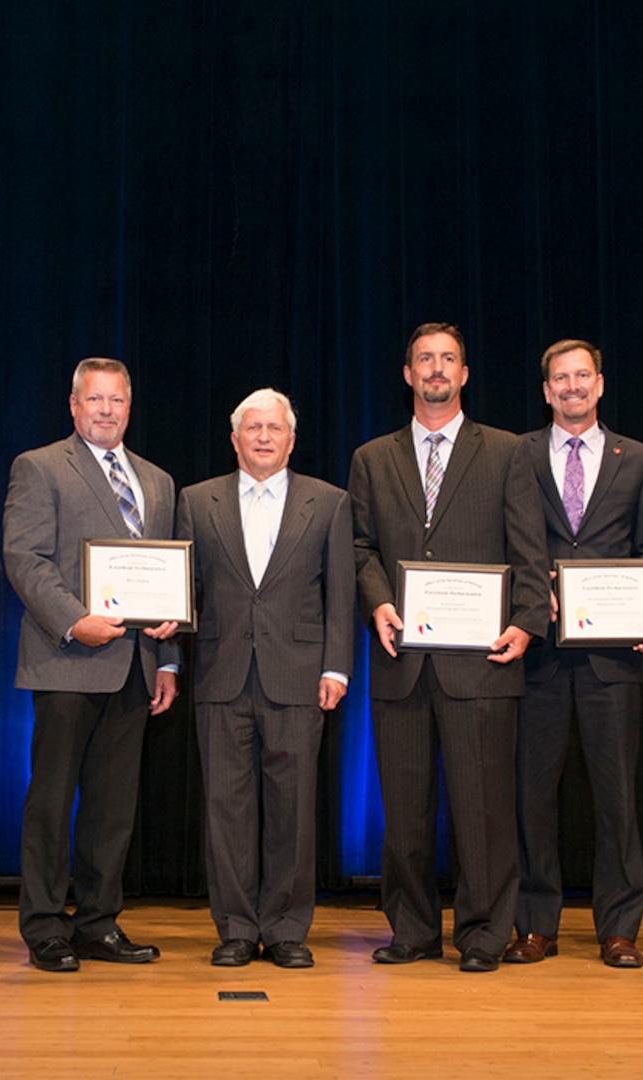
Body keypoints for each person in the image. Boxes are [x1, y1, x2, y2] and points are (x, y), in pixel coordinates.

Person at [349, 322, 551, 973]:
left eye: (448, 359)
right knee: (404, 813)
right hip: (401, 661)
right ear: (408, 374)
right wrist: (378, 600)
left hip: (484, 660)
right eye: (424, 360)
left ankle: (486, 932)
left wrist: (526, 621)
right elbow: (359, 548)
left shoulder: (507, 452)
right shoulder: (371, 458)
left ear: (464, 374)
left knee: (484, 810)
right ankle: (411, 929)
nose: (436, 369)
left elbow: (528, 547)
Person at [3, 358, 180, 972]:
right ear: (73, 405)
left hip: (135, 666)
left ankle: (98, 923)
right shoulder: (41, 466)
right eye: (94, 400)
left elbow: (170, 580)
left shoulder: (158, 481)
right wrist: (75, 618)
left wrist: (169, 654)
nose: (106, 410)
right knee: (51, 802)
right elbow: (24, 558)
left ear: (130, 408)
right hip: (66, 658)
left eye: (117, 401)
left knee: (113, 807)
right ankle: (46, 927)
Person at [174, 388, 355, 969]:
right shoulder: (196, 501)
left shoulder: (328, 502)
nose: (263, 437)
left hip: (299, 676)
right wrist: (171, 657)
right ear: (235, 438)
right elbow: (184, 589)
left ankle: (284, 928)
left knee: (294, 808)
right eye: (253, 427)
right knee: (225, 808)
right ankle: (233, 926)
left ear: (291, 439)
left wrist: (336, 665)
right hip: (221, 675)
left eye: (274, 428)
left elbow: (341, 593)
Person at [507, 340, 643, 970]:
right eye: (559, 379)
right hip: (536, 653)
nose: (571, 387)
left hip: (612, 657)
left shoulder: (642, 460)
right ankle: (534, 924)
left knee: (617, 796)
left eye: (582, 377)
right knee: (530, 796)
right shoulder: (514, 454)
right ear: (546, 390)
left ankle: (619, 928)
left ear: (599, 385)